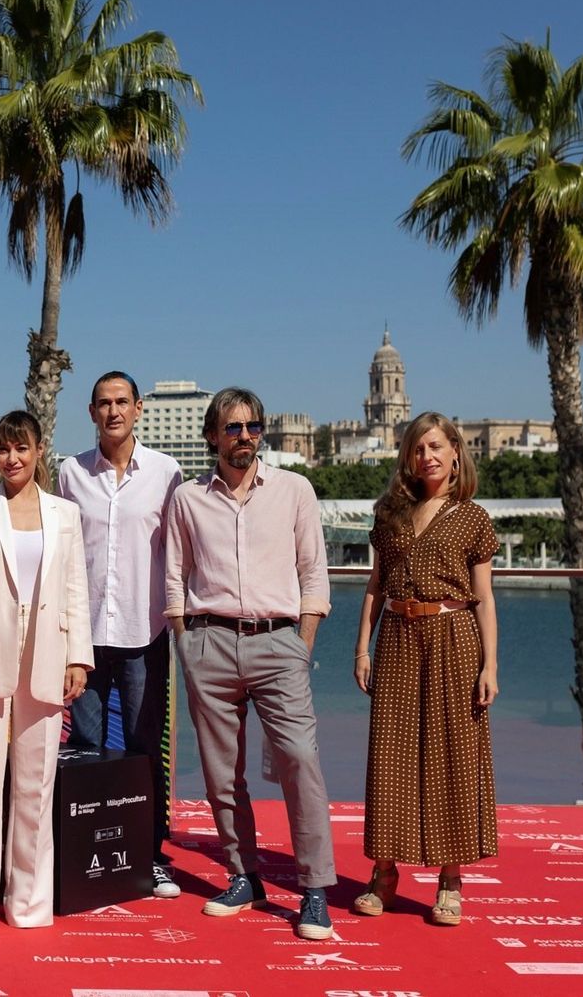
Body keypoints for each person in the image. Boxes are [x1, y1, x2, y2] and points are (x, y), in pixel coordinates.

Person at [166, 387, 336, 940]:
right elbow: (175, 577)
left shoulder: (294, 490)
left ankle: (314, 889)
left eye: (253, 427)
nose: (245, 437)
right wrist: (186, 643)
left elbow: (313, 574)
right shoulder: (187, 499)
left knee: (300, 761)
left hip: (279, 643)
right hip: (209, 643)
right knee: (222, 773)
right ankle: (244, 876)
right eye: (233, 428)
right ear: (212, 436)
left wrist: (300, 644)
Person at [0, 410, 91, 937]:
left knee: (35, 786)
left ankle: (28, 904)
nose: (12, 458)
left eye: (21, 448)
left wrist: (79, 657)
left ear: (39, 450)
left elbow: (76, 589)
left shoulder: (65, 513)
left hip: (49, 655)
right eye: (3, 449)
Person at [352, 411, 499, 926]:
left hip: (453, 640)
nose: (427, 456)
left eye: (436, 447)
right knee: (390, 755)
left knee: (452, 755)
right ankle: (384, 874)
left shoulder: (472, 517)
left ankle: (450, 880)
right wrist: (362, 649)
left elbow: (484, 598)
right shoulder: (390, 513)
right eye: (418, 448)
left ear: (456, 452)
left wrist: (490, 665)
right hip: (396, 638)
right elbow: (375, 586)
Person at [57, 371, 182, 897]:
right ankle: (85, 855)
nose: (113, 411)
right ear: (91, 412)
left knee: (142, 748)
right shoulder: (70, 473)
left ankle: (149, 855)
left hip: (143, 632)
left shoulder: (167, 473)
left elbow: (176, 551)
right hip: (84, 638)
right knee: (85, 747)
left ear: (138, 409)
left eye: (122, 402)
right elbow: (62, 552)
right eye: (104, 403)